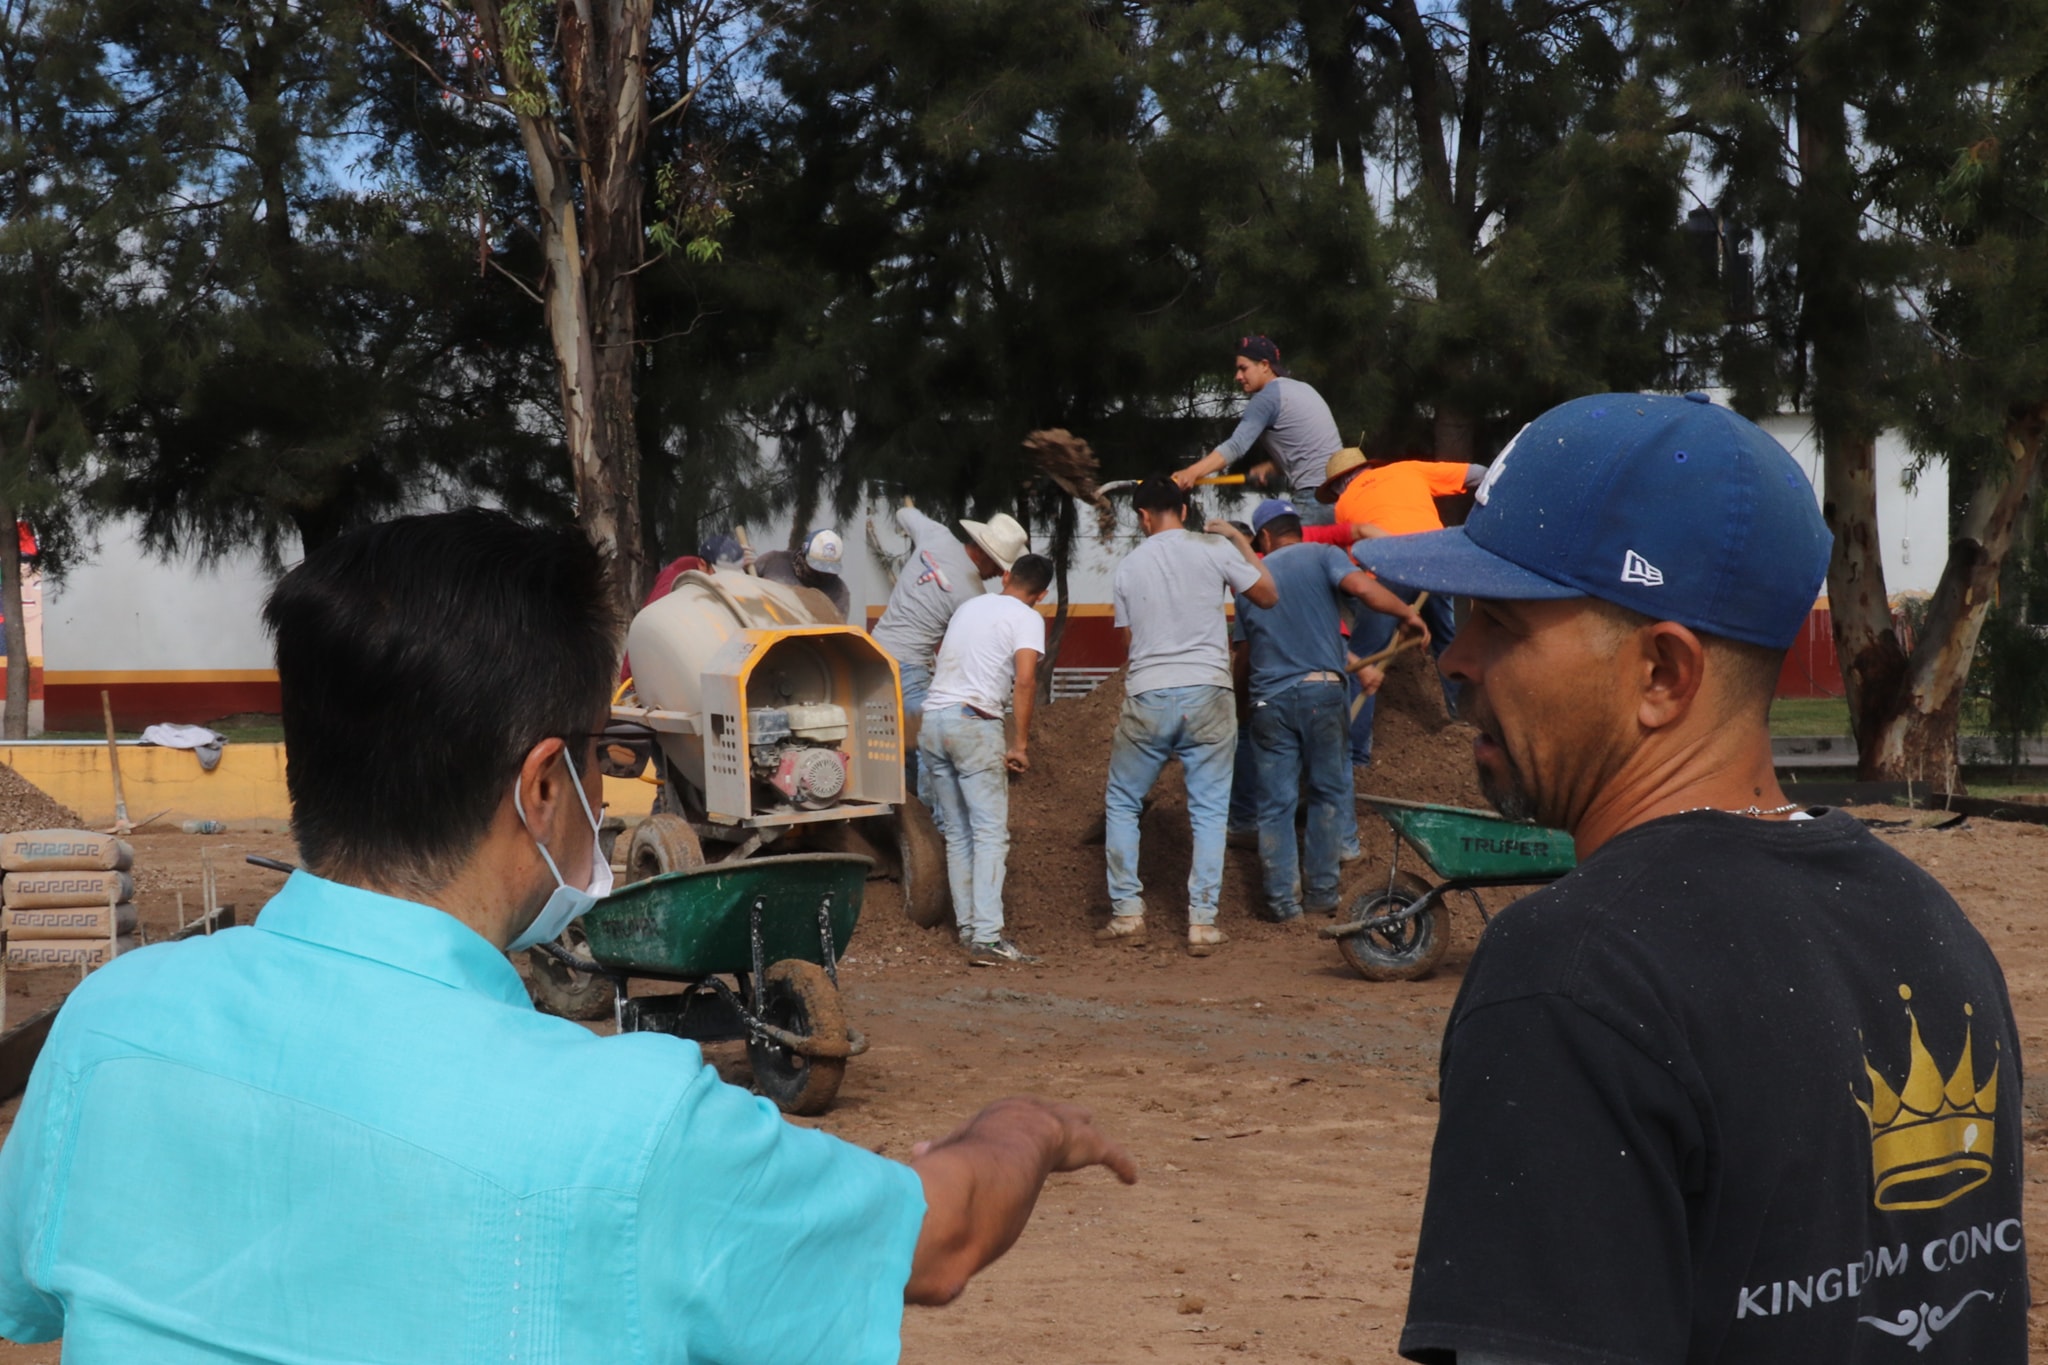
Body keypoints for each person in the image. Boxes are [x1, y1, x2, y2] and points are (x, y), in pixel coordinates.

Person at [0, 509, 1137, 1364]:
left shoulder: (113, 1024)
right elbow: (936, 1240)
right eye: (603, 753)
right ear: (543, 786)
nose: (608, 784)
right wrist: (1026, 1127)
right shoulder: (630, 1127)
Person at [1353, 394, 2025, 1363]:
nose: (1454, 658)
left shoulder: (1571, 979)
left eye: (1497, 621)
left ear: (1661, 674)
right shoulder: (1928, 926)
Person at [1097, 476, 1277, 957]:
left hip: (1148, 693)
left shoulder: (1128, 568)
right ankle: (1202, 923)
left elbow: (1128, 646)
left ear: (1142, 516)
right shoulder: (1213, 548)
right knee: (1211, 811)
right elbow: (1268, 595)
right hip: (1209, 691)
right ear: (1184, 507)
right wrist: (1240, 541)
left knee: (1121, 803)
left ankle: (1127, 912)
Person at [1233, 499, 1424, 922]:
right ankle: (1322, 893)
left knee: (1275, 805)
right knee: (1328, 791)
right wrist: (1407, 613)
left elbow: (1244, 659)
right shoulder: (1323, 556)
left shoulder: (1250, 582)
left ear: (1263, 538)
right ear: (1296, 529)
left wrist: (1241, 707)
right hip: (1322, 693)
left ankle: (1284, 904)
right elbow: (1363, 589)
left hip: (1269, 701)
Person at [918, 552, 1054, 966]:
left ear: (1007, 576)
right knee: (990, 834)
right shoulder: (1028, 618)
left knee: (959, 833)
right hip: (973, 724)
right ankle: (989, 938)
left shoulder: (969, 606)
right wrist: (1020, 745)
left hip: (933, 722)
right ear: (1042, 594)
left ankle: (970, 932)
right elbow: (1026, 680)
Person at [1316, 450, 1483, 766]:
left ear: (1339, 483)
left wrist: (1389, 612)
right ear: (1366, 467)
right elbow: (1476, 472)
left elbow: (1359, 572)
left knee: (1365, 657)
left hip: (1387, 566)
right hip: (1436, 560)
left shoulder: (1344, 505)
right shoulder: (1408, 469)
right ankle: (1464, 722)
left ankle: (1356, 757)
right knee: (1448, 643)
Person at [1173, 336, 1346, 526]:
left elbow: (1235, 446)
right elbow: (1311, 451)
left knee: (1294, 555)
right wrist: (1273, 467)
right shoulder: (1303, 389)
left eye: (1243, 368)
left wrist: (1191, 472)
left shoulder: (1266, 398)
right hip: (1340, 496)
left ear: (1264, 365)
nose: (1237, 376)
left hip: (1314, 499)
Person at [755, 527, 851, 621]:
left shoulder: (839, 592)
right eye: (816, 568)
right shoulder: (772, 562)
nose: (821, 574)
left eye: (826, 571)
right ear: (803, 555)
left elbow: (835, 630)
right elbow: (743, 589)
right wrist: (742, 568)